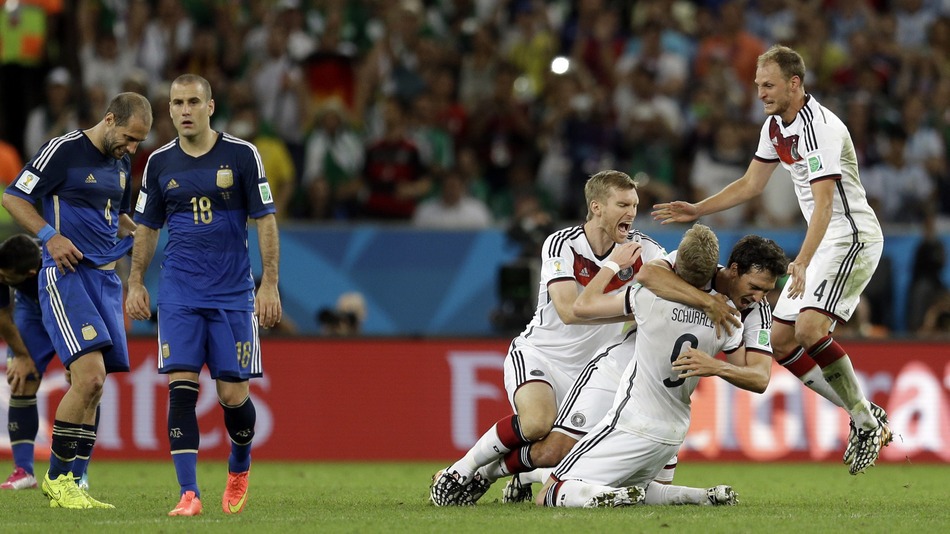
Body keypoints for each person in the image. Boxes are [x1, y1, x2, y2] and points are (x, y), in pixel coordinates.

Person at [428, 170, 737, 506]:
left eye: (634, 204)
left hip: (592, 370)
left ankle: (516, 476)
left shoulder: (646, 250)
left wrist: (710, 299)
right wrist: (633, 298)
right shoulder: (561, 244)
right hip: (543, 355)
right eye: (622, 204)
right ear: (597, 207)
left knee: (567, 454)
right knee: (536, 423)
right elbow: (569, 310)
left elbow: (681, 278)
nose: (631, 212)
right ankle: (460, 471)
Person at [653, 45, 892, 475]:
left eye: (768, 85)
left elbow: (823, 206)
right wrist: (698, 209)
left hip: (850, 236)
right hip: (825, 241)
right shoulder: (775, 127)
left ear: (794, 84)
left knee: (809, 328)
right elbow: (750, 183)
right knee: (782, 343)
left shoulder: (819, 128)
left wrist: (801, 259)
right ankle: (866, 414)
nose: (760, 92)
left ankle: (864, 419)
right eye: (758, 85)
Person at [502, 233, 788, 503]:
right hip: (618, 372)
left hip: (664, 404)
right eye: (755, 287)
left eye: (767, 291)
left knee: (646, 490)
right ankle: (486, 470)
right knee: (555, 450)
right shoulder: (693, 269)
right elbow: (647, 275)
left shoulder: (756, 312)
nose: (760, 297)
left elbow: (759, 377)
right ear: (734, 270)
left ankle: (527, 476)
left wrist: (716, 367)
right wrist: (707, 302)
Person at [125, 74, 281, 517]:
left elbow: (265, 220)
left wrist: (268, 283)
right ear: (169, 109)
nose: (185, 110)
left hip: (233, 293)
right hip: (179, 293)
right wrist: (136, 281)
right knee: (181, 391)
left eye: (194, 101)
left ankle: (239, 462)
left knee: (233, 397)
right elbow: (148, 227)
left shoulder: (242, 155)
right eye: (177, 103)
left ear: (210, 106)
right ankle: (189, 493)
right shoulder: (158, 163)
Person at [1, 91, 153, 509]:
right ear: (109, 120)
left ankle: (73, 478)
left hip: (106, 280)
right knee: (87, 378)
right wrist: (50, 236)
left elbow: (113, 215)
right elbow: (13, 195)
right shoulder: (63, 150)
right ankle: (56, 479)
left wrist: (136, 231)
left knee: (95, 387)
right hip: (68, 277)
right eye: (128, 137)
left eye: (138, 142)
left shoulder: (120, 163)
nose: (132, 149)